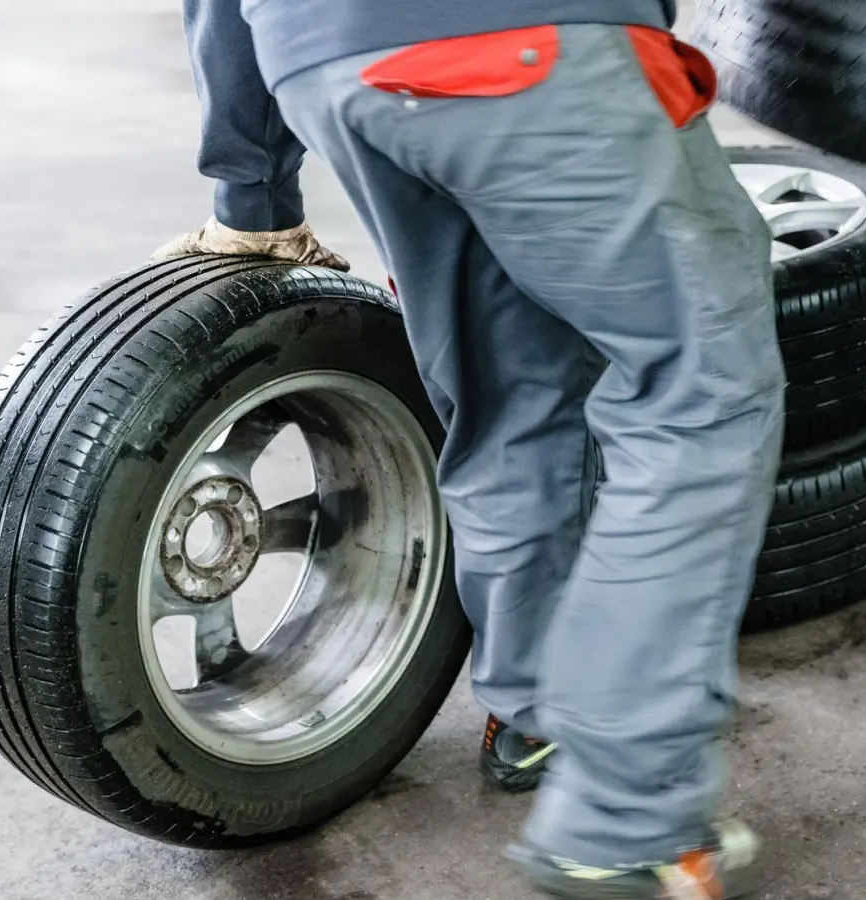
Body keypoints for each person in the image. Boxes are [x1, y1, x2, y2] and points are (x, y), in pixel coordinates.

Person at [155, 2, 786, 897]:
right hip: (523, 37)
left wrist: (252, 199)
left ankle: (536, 717)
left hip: (323, 64)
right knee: (703, 391)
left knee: (509, 394)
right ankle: (624, 821)